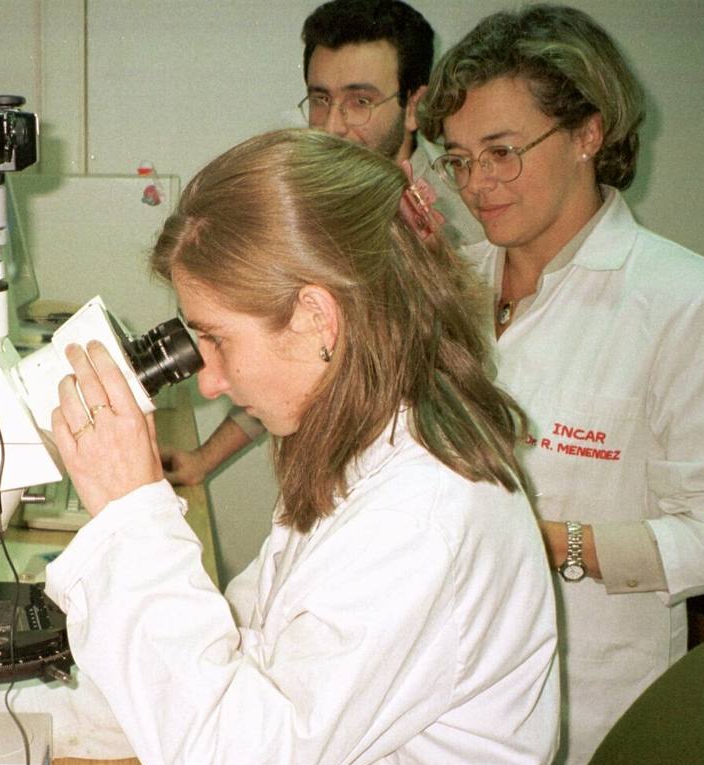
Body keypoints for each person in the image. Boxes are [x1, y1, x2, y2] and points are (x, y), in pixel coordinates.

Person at [0, 128, 567, 765]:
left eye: (218, 341)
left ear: (317, 320)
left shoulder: (424, 516)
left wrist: (131, 511)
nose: (213, 382)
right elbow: (224, 671)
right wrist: (23, 712)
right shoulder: (360, 445)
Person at [417, 4, 704, 765]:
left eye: (503, 152)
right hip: (430, 691)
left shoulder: (688, 304)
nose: (478, 185)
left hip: (577, 718)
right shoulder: (449, 283)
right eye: (457, 159)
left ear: (588, 134)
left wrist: (555, 546)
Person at [161, 0, 481, 488]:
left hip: (392, 486)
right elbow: (280, 347)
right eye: (321, 99)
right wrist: (205, 459)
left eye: (360, 101)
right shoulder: (317, 196)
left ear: (414, 105)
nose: (332, 125)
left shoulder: (444, 227)